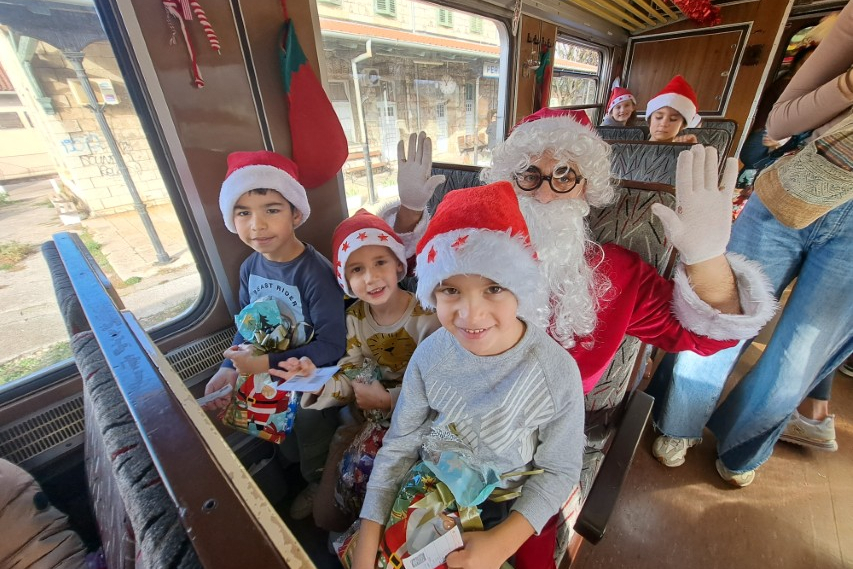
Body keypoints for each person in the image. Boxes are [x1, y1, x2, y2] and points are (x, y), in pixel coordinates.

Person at [386, 115, 776, 395]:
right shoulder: (468, 243)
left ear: (585, 190)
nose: (543, 193)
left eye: (564, 176)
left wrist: (707, 258)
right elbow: (403, 278)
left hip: (550, 426)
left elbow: (705, 340)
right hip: (451, 395)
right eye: (528, 174)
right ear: (509, 183)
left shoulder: (619, 273)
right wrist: (410, 212)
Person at [647, 0, 853, 486]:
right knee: (721, 312)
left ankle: (743, 447)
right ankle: (678, 422)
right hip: (796, 187)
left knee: (801, 353)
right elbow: (780, 124)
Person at [350, 181, 585, 569]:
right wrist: (367, 539)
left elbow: (560, 469)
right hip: (429, 483)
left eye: (493, 288)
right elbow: (401, 443)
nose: (471, 316)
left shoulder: (554, 371)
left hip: (503, 501)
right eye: (451, 291)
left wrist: (498, 544)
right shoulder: (430, 356)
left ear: (520, 289)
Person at [270, 209, 440, 532]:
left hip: (420, 417)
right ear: (345, 281)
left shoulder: (427, 317)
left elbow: (438, 384)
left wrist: (388, 399)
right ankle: (341, 511)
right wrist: (316, 382)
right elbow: (349, 375)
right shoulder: (355, 319)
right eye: (357, 269)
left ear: (398, 265)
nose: (371, 278)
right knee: (328, 510)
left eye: (380, 263)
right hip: (369, 418)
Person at [200, 150, 347, 517]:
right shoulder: (250, 267)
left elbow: (332, 346)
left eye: (271, 209)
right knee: (285, 445)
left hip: (307, 379)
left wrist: (263, 363)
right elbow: (247, 326)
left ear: (296, 213)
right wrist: (230, 366)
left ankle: (318, 484)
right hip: (268, 378)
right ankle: (294, 471)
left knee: (311, 440)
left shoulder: (314, 274)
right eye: (244, 212)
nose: (257, 225)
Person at [645, 75, 700, 143]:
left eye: (673, 119)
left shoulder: (689, 147)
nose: (663, 123)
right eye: (658, 117)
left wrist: (692, 147)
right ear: (650, 120)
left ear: (682, 125)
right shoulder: (631, 149)